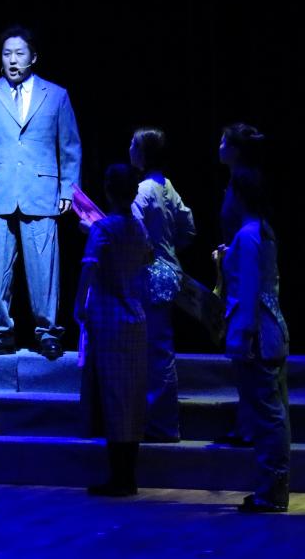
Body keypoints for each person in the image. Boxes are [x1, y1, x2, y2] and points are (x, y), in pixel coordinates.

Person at [0, 26, 82, 361]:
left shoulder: (56, 95)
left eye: (19, 53)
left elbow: (69, 146)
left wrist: (68, 189)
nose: (13, 60)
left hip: (41, 191)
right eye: (7, 54)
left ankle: (48, 333)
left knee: (45, 268)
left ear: (33, 57)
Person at [75, 164, 152, 497]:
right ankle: (127, 474)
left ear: (108, 190)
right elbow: (147, 261)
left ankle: (119, 477)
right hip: (136, 318)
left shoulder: (103, 228)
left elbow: (89, 268)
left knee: (113, 397)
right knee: (131, 397)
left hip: (109, 319)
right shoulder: (139, 228)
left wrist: (79, 305)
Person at [221, 166, 290, 513]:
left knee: (266, 415)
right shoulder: (261, 230)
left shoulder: (249, 235)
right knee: (270, 412)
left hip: (258, 334)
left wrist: (244, 336)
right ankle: (271, 488)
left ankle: (272, 491)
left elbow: (248, 290)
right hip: (270, 329)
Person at [128, 128, 196, 442]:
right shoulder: (167, 185)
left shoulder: (142, 190)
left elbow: (135, 235)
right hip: (169, 274)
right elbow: (188, 228)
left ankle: (163, 425)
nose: (130, 148)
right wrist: (169, 250)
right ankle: (163, 422)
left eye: (134, 144)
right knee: (161, 351)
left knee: (155, 353)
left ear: (143, 153)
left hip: (150, 278)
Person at [212, 122, 267, 448]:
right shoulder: (237, 180)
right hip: (235, 269)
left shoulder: (245, 182)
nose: (219, 146)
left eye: (223, 142)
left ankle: (252, 427)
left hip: (244, 275)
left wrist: (231, 251)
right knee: (243, 361)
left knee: (248, 356)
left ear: (235, 149)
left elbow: (252, 235)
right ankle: (247, 423)